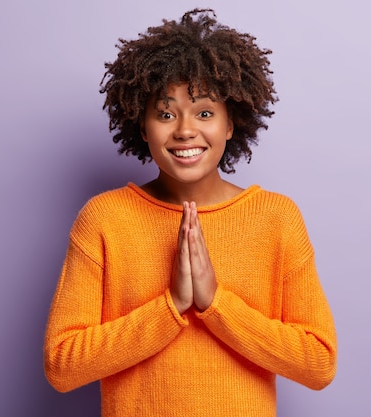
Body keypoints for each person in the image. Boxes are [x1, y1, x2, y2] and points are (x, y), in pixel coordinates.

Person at [43, 8, 337, 417]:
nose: (184, 129)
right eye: (165, 114)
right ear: (142, 126)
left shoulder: (276, 218)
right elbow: (62, 365)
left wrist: (216, 305)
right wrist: (171, 306)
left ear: (230, 124)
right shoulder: (104, 219)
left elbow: (319, 363)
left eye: (204, 112)